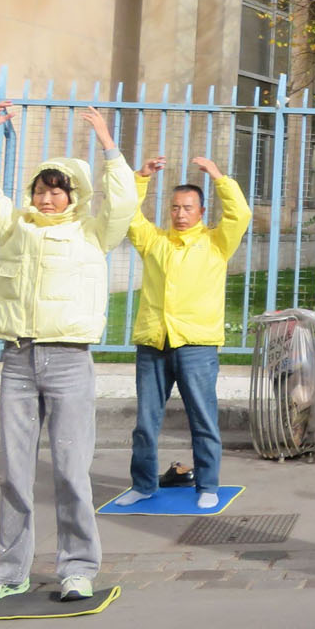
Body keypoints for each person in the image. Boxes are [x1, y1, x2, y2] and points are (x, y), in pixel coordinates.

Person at [0, 103, 136, 604]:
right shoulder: (14, 226)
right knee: (15, 471)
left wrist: (107, 145)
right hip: (17, 360)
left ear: (73, 194)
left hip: (67, 361)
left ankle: (78, 567)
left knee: (69, 468)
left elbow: (122, 203)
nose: (48, 196)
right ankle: (8, 570)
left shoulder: (92, 232)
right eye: (41, 187)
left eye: (57, 189)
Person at [117, 155, 250, 510]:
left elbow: (240, 215)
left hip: (196, 346)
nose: (180, 214)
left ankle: (207, 484)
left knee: (202, 420)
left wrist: (220, 177)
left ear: (202, 211)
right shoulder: (153, 241)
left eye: (188, 207)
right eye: (175, 207)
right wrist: (141, 178)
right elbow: (128, 215)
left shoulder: (216, 243)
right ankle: (143, 485)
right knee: (145, 424)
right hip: (154, 344)